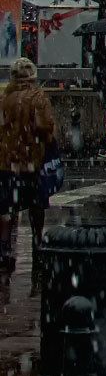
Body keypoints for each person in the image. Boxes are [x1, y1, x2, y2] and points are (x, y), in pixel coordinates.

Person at [0, 58, 58, 271]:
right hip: (31, 163)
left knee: (7, 209)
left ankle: (6, 252)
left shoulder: (4, 99)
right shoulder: (38, 99)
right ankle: (37, 249)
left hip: (7, 165)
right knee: (35, 208)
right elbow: (46, 129)